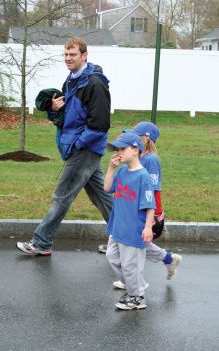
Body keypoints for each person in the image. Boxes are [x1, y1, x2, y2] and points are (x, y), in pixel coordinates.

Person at [16, 37, 113, 255]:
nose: (68, 59)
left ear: (84, 56)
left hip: (84, 150)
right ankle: (126, 241)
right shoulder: (71, 80)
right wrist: (53, 107)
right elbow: (64, 117)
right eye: (66, 55)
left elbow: (100, 124)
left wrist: (78, 144)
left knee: (61, 196)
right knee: (102, 198)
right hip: (78, 148)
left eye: (73, 55)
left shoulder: (94, 84)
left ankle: (41, 242)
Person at [111, 122, 181, 289]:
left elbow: (153, 190)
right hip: (135, 212)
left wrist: (153, 218)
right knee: (139, 244)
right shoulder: (140, 158)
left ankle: (135, 287)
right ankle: (169, 260)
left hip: (149, 214)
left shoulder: (150, 160)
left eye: (136, 135)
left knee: (135, 246)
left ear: (145, 139)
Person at [105, 132, 155, 310]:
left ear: (135, 150)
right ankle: (135, 284)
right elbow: (107, 188)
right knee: (112, 257)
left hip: (134, 230)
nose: (118, 152)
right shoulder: (122, 171)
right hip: (118, 227)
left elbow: (150, 205)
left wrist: (148, 227)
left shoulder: (143, 177)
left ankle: (137, 297)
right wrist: (111, 168)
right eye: (116, 149)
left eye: (121, 149)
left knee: (129, 265)